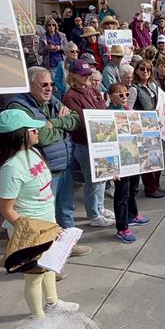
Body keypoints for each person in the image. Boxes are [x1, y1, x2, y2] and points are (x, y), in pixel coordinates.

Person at [0, 110, 81, 318]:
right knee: (34, 277)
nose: (37, 131)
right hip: (30, 231)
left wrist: (49, 226)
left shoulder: (34, 152)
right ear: (20, 134)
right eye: (32, 128)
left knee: (49, 266)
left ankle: (53, 302)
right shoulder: (11, 168)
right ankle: (39, 319)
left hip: (47, 223)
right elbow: (6, 208)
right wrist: (31, 230)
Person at [6, 68, 91, 258]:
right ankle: (49, 256)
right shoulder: (19, 106)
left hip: (64, 165)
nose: (49, 88)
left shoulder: (51, 100)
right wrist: (60, 123)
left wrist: (54, 123)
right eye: (44, 84)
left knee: (66, 210)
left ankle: (68, 245)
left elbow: (75, 120)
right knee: (46, 217)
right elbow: (41, 137)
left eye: (52, 84)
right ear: (30, 85)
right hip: (45, 171)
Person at [62, 63, 116, 227]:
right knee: (92, 180)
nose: (87, 77)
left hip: (101, 140)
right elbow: (80, 121)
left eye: (87, 74)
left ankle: (99, 207)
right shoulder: (70, 96)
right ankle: (93, 214)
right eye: (83, 74)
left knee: (102, 177)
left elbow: (103, 110)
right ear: (73, 75)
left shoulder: (92, 90)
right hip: (85, 143)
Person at [107, 82, 151, 244]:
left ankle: (132, 215)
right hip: (120, 160)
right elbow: (105, 142)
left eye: (126, 94)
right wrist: (111, 167)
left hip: (132, 157)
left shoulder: (128, 111)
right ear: (110, 96)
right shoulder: (107, 114)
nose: (125, 97)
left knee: (133, 188)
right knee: (121, 194)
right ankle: (122, 228)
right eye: (120, 95)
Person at [131, 59, 165, 198]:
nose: (145, 72)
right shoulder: (134, 89)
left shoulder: (153, 85)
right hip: (143, 128)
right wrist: (145, 115)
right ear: (137, 71)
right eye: (142, 69)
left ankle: (156, 185)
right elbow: (129, 109)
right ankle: (150, 188)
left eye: (148, 69)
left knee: (157, 158)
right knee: (147, 160)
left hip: (155, 126)